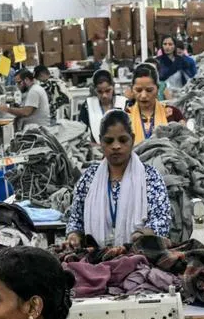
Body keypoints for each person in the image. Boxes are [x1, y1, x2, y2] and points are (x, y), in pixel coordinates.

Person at [65, 110, 173, 248]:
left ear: (132, 139)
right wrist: (74, 236)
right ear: (100, 141)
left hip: (138, 257)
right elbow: (76, 219)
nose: (116, 146)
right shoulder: (89, 177)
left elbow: (161, 220)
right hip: (95, 258)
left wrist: (143, 235)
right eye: (109, 141)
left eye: (123, 140)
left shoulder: (150, 177)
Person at [125, 64, 184, 144]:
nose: (144, 95)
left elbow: (184, 144)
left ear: (158, 89)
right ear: (132, 89)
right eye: (138, 90)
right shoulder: (125, 117)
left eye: (149, 90)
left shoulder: (173, 114)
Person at [78, 70, 127, 141]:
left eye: (108, 91)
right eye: (100, 92)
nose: (104, 95)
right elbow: (81, 132)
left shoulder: (124, 103)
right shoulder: (87, 106)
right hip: (97, 148)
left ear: (113, 87)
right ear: (95, 90)